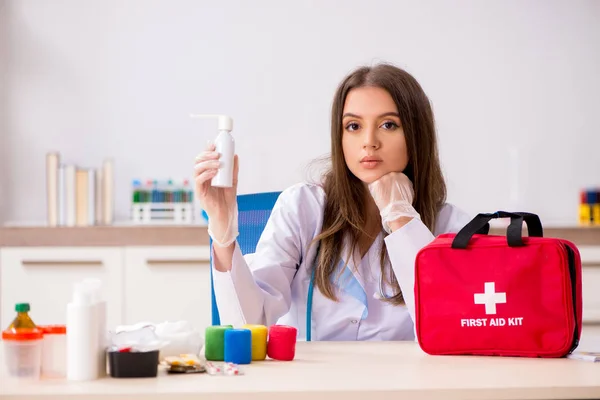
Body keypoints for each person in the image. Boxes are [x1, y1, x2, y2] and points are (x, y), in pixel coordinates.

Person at [193, 63, 471, 341]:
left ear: (415, 134)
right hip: (313, 383)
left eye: (388, 125)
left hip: (404, 383)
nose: (369, 141)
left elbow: (451, 326)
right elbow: (249, 324)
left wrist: (400, 218)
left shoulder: (449, 226)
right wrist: (222, 230)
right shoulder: (303, 207)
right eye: (353, 126)